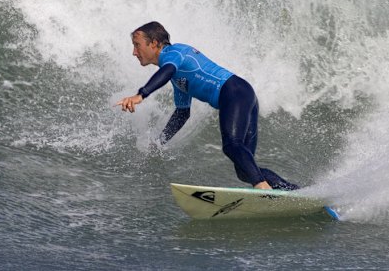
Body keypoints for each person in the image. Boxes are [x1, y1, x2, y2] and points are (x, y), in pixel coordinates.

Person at [115, 21, 298, 191]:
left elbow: (167, 70)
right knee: (245, 171)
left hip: (234, 92)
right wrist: (160, 142)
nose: (134, 52)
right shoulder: (178, 74)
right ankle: (293, 191)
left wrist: (141, 94)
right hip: (243, 95)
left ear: (154, 43)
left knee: (231, 146)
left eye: (137, 45)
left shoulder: (174, 54)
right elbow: (182, 113)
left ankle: (263, 189)